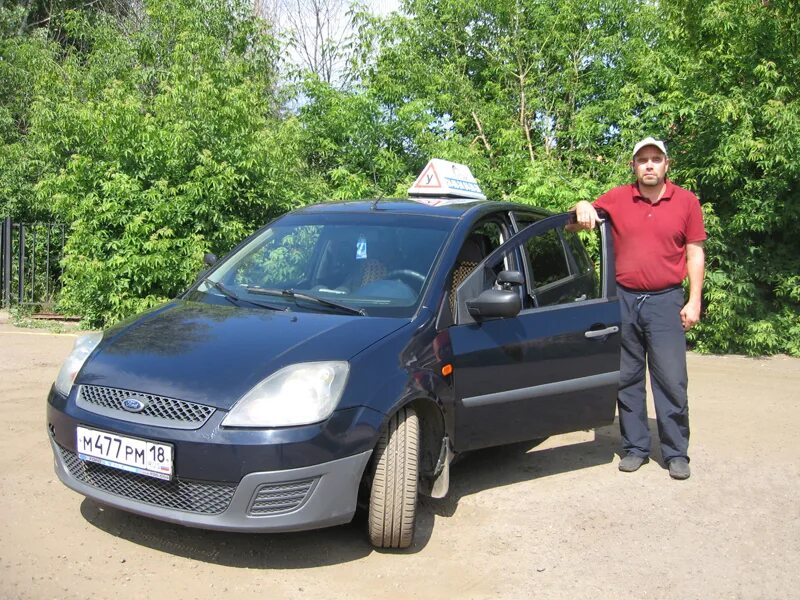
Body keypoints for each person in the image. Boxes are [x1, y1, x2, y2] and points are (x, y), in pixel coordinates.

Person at [573, 137, 706, 480]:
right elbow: (574, 222)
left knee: (671, 380)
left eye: (655, 159)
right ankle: (635, 448)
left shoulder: (687, 201)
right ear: (633, 165)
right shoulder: (617, 198)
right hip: (624, 300)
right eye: (642, 159)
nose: (649, 165)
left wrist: (694, 300)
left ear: (666, 165)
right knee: (627, 378)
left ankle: (676, 453)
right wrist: (582, 204)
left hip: (666, 301)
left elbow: (695, 252)